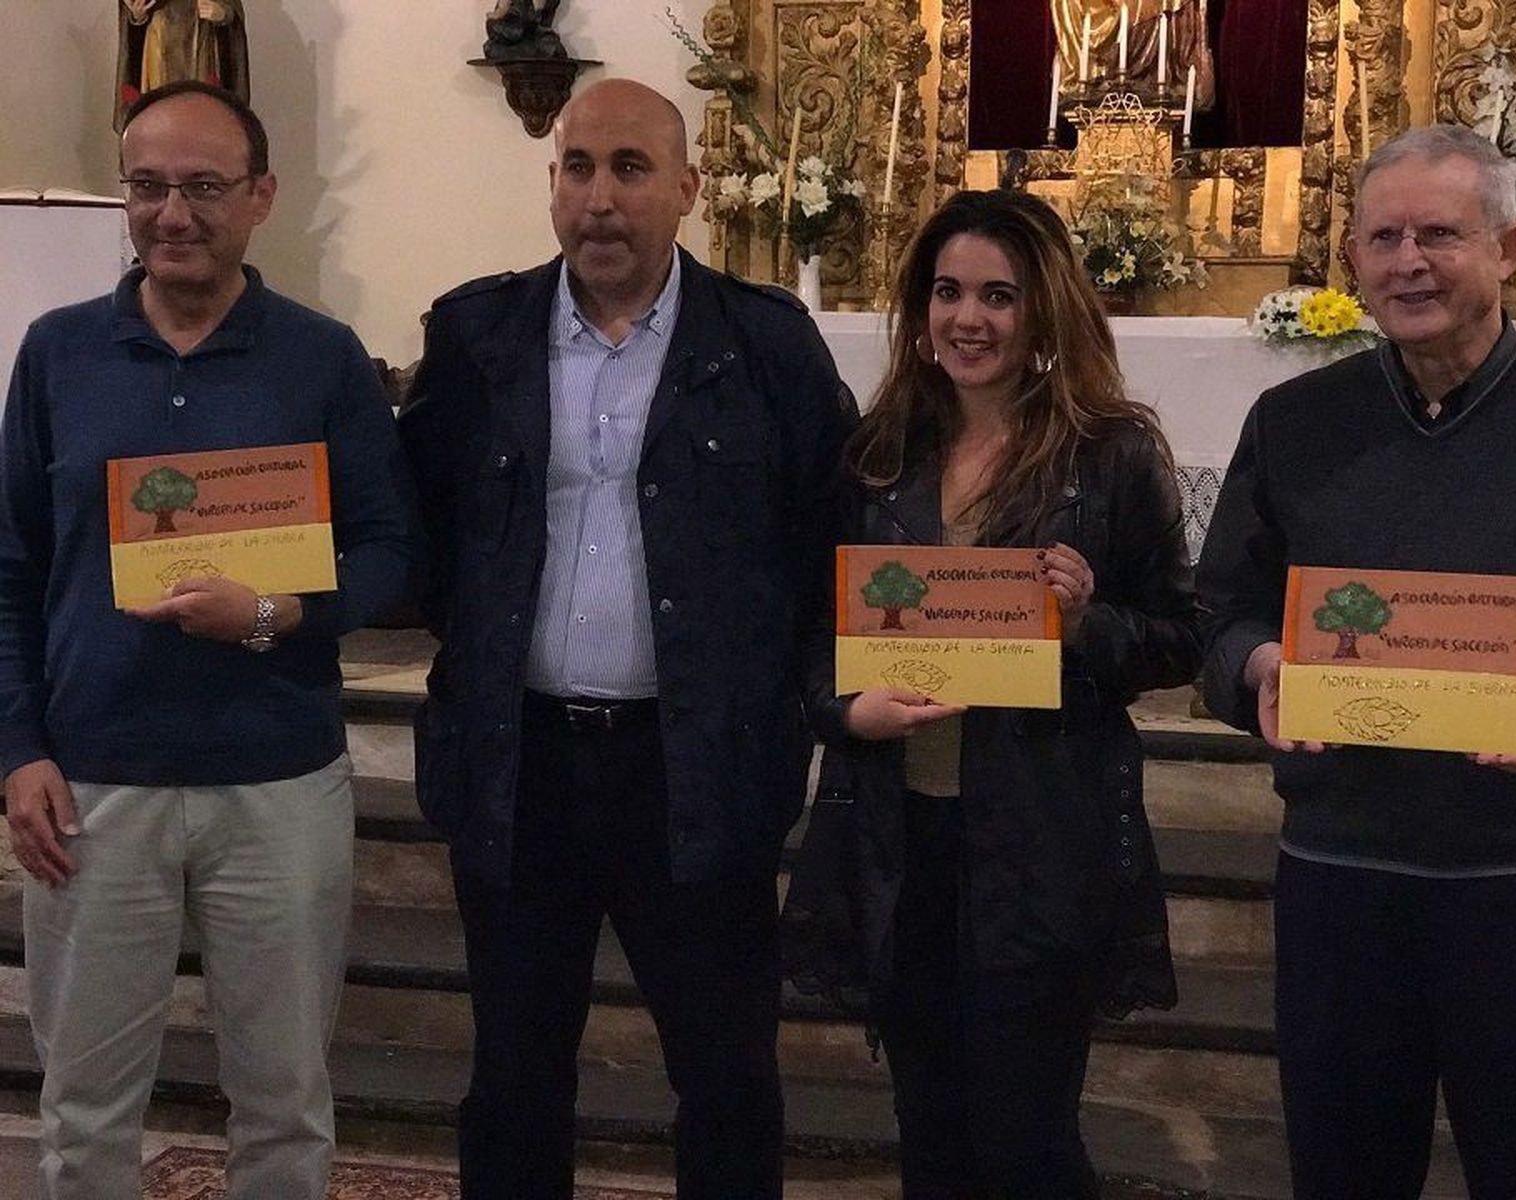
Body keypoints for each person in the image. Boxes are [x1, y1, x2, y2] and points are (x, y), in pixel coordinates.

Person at [398, 78, 855, 1200]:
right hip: (522, 767)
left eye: (631, 169)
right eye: (578, 167)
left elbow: (828, 541)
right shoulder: (475, 336)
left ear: (689, 190)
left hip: (692, 772)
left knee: (727, 1079)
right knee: (510, 1077)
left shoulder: (767, 346)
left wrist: (793, 703)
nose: (600, 199)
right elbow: (420, 530)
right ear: (553, 183)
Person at [1, 81, 412, 1198]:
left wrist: (278, 613)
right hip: (94, 783)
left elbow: (387, 549)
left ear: (262, 196)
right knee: (83, 1112)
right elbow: (11, 572)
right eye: (146, 186)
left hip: (275, 778)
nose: (171, 213)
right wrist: (19, 751)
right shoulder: (56, 354)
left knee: (282, 1106)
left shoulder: (322, 359)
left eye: (202, 188)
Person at [1197, 123, 1516, 1196]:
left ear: (1508, 251)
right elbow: (1217, 615)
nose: (1407, 261)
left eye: (1438, 234)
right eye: (1382, 237)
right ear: (1353, 262)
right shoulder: (1293, 422)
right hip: (1343, 876)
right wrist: (1260, 669)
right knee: (1341, 1170)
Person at [785, 188, 1199, 1199]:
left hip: (1038, 837)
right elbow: (807, 634)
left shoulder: (1112, 452)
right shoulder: (875, 455)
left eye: (998, 296)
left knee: (1026, 1140)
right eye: (948, 292)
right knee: (927, 1129)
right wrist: (845, 711)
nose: (968, 318)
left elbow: (1181, 637)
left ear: (1043, 310)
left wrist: (1088, 620)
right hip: (899, 835)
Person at [116, 1, 250, 131]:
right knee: (160, 114)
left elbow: (232, 8)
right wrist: (136, 13)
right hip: (160, 38)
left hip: (200, 38)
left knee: (201, 114)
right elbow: (132, 10)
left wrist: (223, 13)